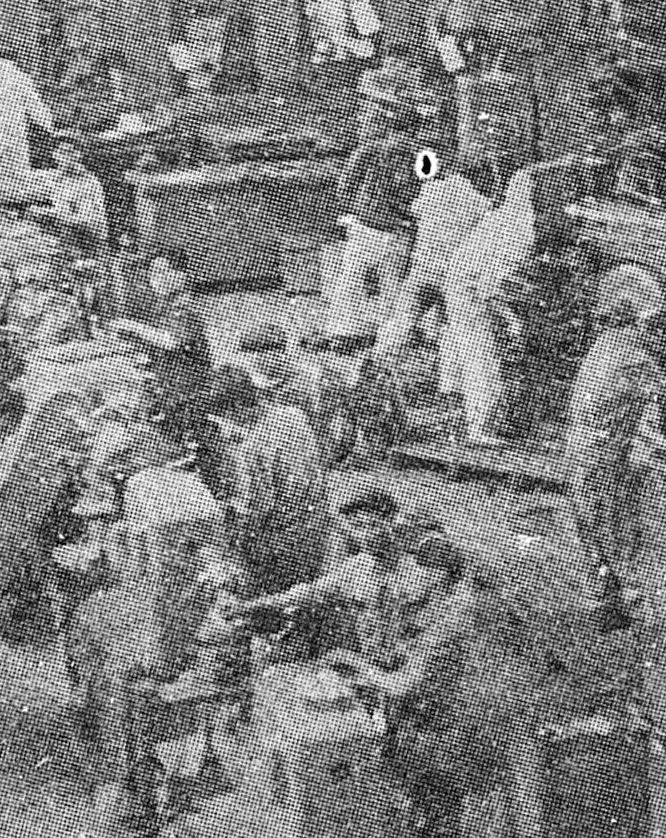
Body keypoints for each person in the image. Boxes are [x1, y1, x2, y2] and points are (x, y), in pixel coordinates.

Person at [327, 535, 531, 838]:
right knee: (431, 829)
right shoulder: (444, 607)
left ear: (437, 574)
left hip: (441, 743)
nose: (410, 577)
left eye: (417, 569)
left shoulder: (452, 619)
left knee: (432, 832)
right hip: (440, 735)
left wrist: (358, 669)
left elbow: (406, 684)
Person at [563, 267, 666, 583]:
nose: (660, 335)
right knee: (614, 534)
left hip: (583, 451)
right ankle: (626, 591)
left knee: (597, 535)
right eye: (656, 326)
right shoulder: (632, 355)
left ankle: (611, 589)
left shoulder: (606, 343)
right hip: (600, 456)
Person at [233, 486, 431, 668]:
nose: (366, 535)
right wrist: (252, 605)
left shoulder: (416, 574)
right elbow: (309, 593)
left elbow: (425, 638)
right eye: (359, 526)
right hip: (370, 664)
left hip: (411, 668)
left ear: (393, 524)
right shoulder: (356, 568)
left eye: (373, 525)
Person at [209, 368, 334, 652]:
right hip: (318, 522)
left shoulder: (252, 446)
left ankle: (264, 630)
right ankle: (300, 626)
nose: (229, 424)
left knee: (237, 551)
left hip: (287, 540)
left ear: (238, 407)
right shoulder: (293, 415)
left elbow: (259, 509)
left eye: (227, 416)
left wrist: (232, 516)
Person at [444, 166, 540, 447]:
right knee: (481, 360)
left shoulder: (506, 216)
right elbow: (491, 285)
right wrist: (511, 319)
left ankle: (487, 423)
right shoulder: (519, 229)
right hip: (466, 291)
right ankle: (481, 430)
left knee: (482, 356)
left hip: (468, 283)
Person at [375, 152, 491, 361]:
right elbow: (487, 216)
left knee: (403, 318)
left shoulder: (425, 195)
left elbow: (414, 216)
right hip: (453, 274)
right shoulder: (471, 196)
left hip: (423, 271)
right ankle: (450, 375)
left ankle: (382, 357)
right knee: (454, 328)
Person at [322, 103, 424, 342]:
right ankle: (394, 333)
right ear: (415, 130)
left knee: (353, 276)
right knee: (393, 282)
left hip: (368, 224)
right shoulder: (421, 156)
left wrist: (356, 210)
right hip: (398, 227)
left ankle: (343, 330)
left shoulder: (369, 150)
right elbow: (426, 190)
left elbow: (344, 187)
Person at [113, 248, 214, 483]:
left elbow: (171, 341)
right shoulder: (165, 308)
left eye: (161, 271)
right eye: (152, 273)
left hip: (190, 392)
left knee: (194, 447)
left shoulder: (183, 307)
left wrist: (132, 326)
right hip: (175, 390)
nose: (154, 278)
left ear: (180, 275)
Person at [0, 57, 58, 180]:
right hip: (9, 131)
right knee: (18, 175)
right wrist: (49, 126)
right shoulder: (16, 77)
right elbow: (34, 104)